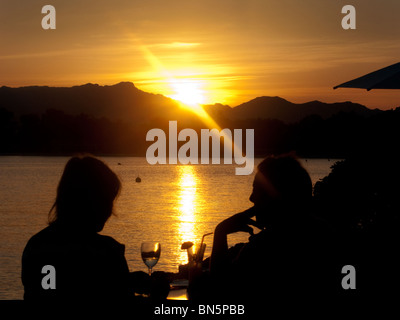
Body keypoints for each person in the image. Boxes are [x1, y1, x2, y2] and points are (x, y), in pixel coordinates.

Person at [21, 155, 157, 304]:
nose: (110, 211)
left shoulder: (36, 246)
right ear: (90, 202)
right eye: (106, 201)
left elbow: (62, 288)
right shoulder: (107, 252)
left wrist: (126, 281)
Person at [206, 154, 338, 305]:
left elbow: (220, 292)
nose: (251, 198)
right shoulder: (325, 232)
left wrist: (220, 231)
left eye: (256, 190)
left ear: (273, 196)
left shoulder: (263, 247)